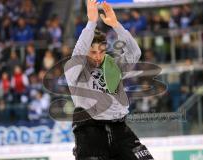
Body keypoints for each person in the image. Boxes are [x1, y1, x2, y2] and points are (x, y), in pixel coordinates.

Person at [64, 0, 155, 159]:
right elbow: (78, 51)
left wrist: (116, 25)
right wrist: (91, 23)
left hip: (120, 129)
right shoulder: (74, 70)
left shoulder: (112, 66)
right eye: (93, 52)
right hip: (90, 130)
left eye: (102, 51)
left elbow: (134, 54)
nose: (98, 56)